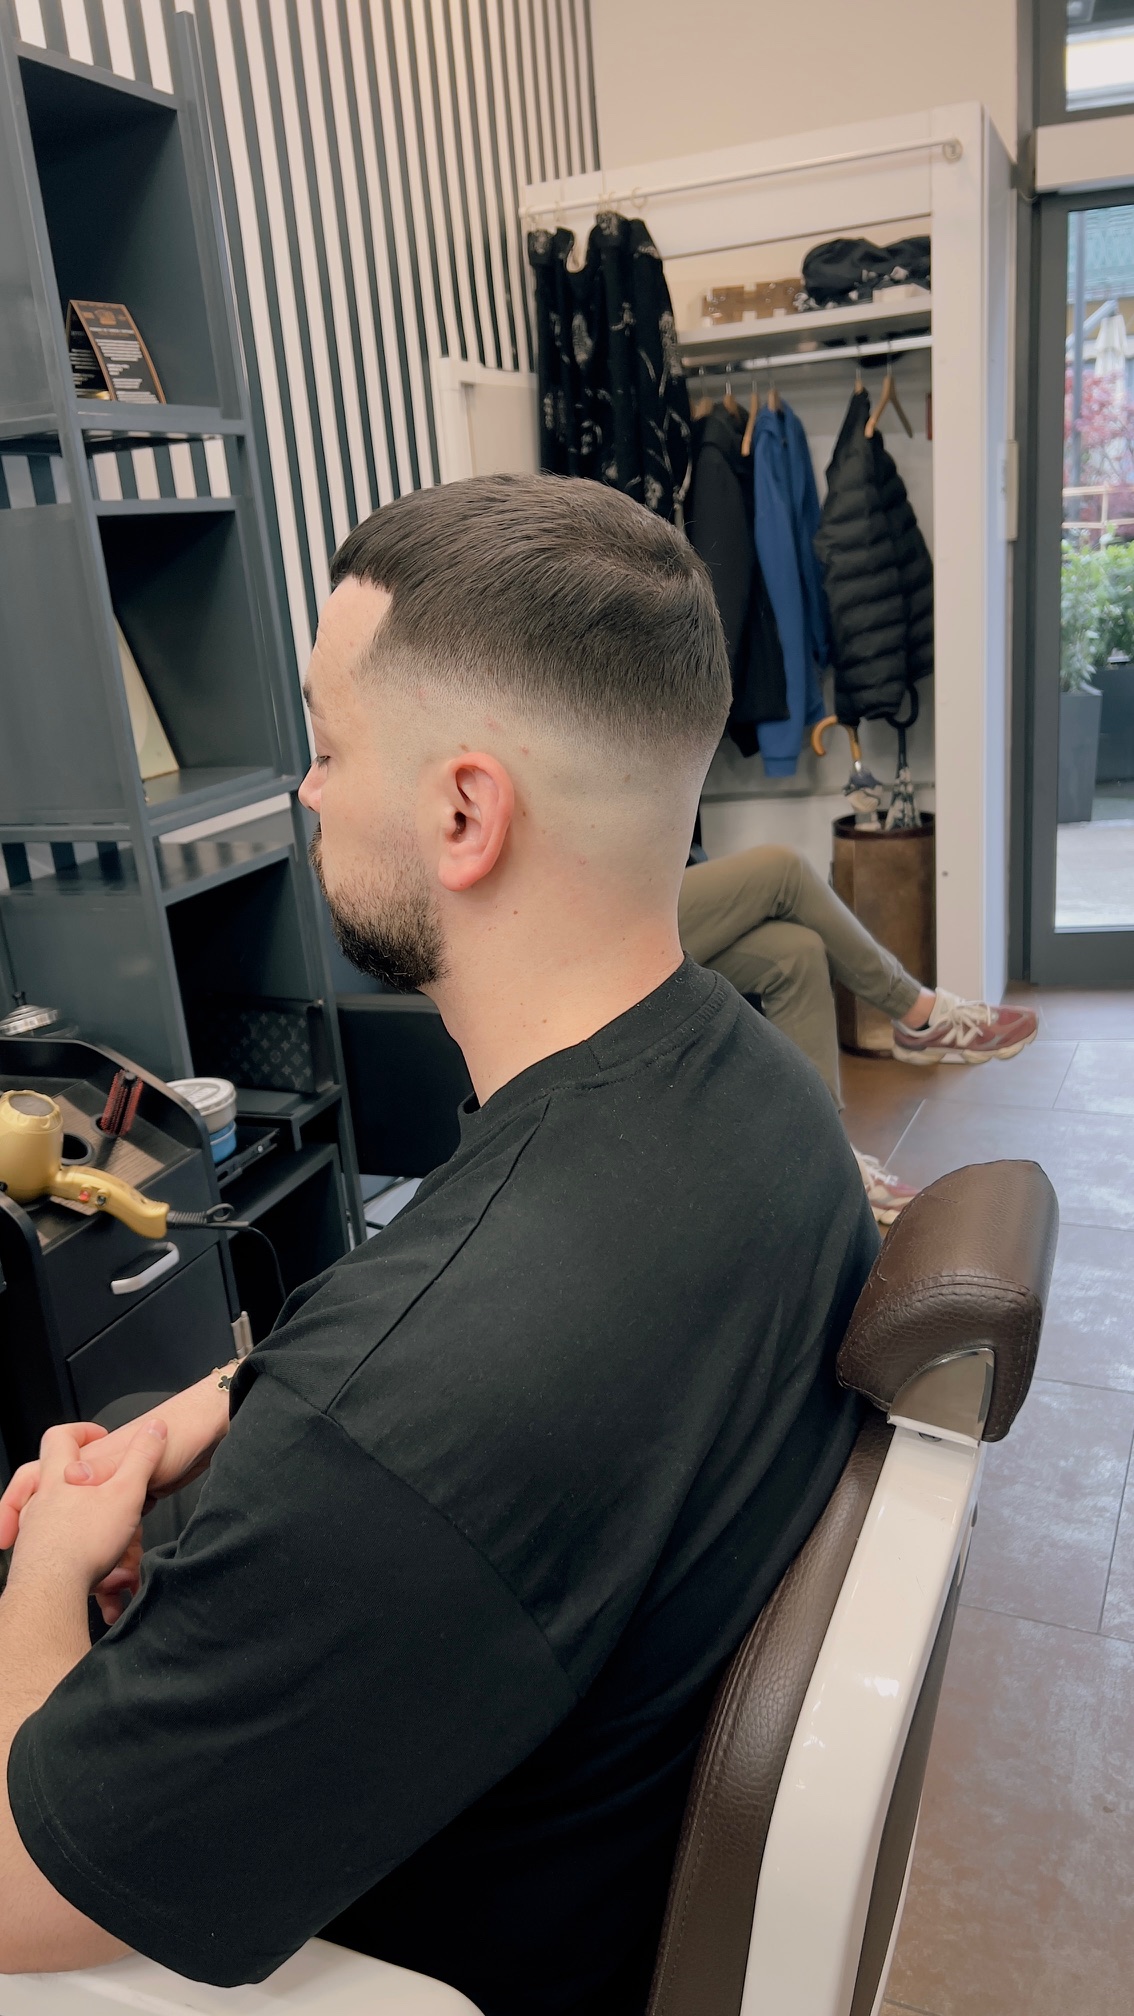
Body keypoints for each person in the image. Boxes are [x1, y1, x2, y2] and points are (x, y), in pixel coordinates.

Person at [0, 476, 877, 2016]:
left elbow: (24, 1890)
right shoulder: (760, 1095)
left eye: (330, 748)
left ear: (465, 813)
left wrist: (48, 1579)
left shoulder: (404, 1419)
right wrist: (222, 1425)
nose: (308, 794)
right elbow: (420, 1383)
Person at [679, 845, 1038, 1224]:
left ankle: (827, 1155)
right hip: (613, 923)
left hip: (643, 895)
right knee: (784, 868)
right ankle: (921, 1015)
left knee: (797, 954)